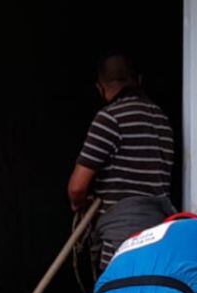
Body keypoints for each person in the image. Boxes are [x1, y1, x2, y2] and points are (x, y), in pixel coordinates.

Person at [67, 53, 176, 271]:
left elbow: (77, 187)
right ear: (139, 80)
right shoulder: (162, 120)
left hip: (123, 236)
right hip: (161, 233)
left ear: (100, 88)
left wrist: (79, 203)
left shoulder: (109, 118)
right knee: (149, 292)